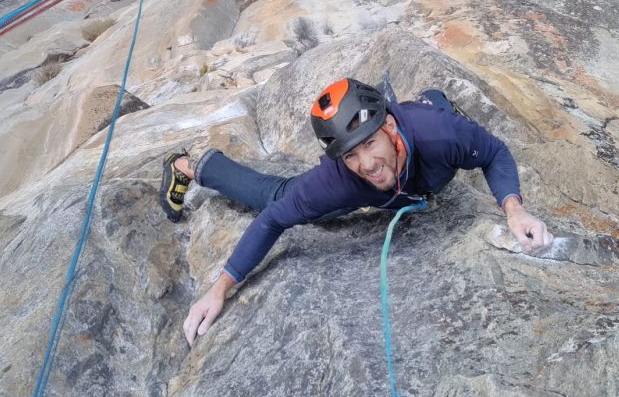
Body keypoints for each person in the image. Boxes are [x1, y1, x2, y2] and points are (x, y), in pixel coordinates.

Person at [160, 78, 554, 347]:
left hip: (429, 141)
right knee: (277, 196)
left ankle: (433, 99)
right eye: (351, 153)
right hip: (383, 186)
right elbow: (274, 219)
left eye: (369, 144)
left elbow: (493, 152)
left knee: (437, 115)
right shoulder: (342, 178)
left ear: (390, 127)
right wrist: (219, 288)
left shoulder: (439, 135)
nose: (366, 163)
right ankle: (191, 168)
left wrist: (514, 210)